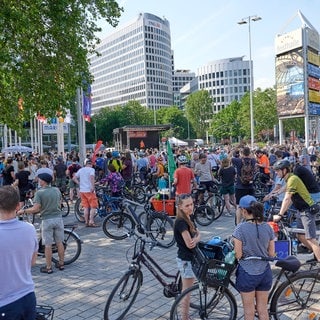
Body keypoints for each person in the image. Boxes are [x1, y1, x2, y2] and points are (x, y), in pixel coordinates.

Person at [233, 195, 275, 320]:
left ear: (244, 211)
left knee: (249, 312)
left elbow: (238, 255)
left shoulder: (240, 229)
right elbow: (272, 254)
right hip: (265, 273)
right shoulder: (268, 227)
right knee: (262, 310)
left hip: (247, 274)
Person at [0, 185, 38, 320]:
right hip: (27, 295)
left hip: (4, 302)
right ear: (17, 206)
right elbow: (32, 262)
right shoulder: (30, 229)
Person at [273, 159, 320, 261]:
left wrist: (280, 214)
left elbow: (287, 198)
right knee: (300, 235)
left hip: (307, 209)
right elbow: (289, 200)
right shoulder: (289, 179)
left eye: (277, 171)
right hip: (300, 210)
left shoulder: (293, 179)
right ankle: (317, 253)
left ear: (284, 170)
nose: (276, 173)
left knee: (310, 238)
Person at [17, 173, 65, 274]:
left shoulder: (40, 193)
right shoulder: (56, 190)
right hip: (58, 218)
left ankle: (48, 267)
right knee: (59, 242)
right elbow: (60, 203)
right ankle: (61, 263)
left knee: (47, 245)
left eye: (39, 179)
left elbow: (35, 208)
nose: (38, 181)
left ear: (43, 181)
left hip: (47, 220)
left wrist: (23, 211)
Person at [174, 193, 201, 320]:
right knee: (186, 292)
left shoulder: (188, 218)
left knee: (187, 290)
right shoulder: (181, 222)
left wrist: (196, 237)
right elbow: (190, 244)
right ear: (180, 207)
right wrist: (197, 238)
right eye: (187, 205)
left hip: (189, 259)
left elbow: (196, 235)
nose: (191, 207)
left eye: (192, 204)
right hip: (186, 259)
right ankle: (184, 317)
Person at [232, 147, 256, 225]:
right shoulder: (253, 160)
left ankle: (238, 224)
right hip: (250, 186)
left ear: (242, 153)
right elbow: (253, 157)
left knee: (239, 206)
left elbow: (228, 158)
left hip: (240, 186)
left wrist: (232, 151)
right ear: (249, 153)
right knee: (251, 205)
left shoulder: (238, 160)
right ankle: (251, 222)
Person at [73, 159, 99, 227]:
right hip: (89, 190)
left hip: (82, 190)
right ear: (91, 164)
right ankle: (91, 221)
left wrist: (79, 183)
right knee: (93, 206)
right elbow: (92, 178)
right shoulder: (91, 170)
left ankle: (86, 222)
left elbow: (74, 178)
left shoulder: (81, 170)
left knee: (86, 207)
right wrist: (93, 186)